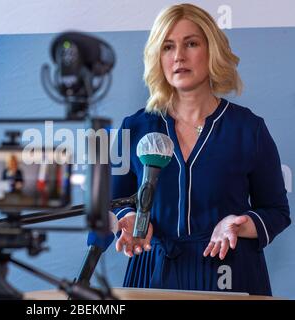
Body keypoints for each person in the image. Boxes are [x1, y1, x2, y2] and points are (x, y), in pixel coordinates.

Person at [112, 3, 290, 296]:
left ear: (212, 51)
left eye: (191, 43)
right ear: (158, 57)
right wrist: (128, 219)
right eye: (168, 47)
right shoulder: (135, 127)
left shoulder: (248, 128)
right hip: (152, 270)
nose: (178, 56)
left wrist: (238, 226)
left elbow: (277, 211)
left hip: (228, 271)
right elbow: (116, 202)